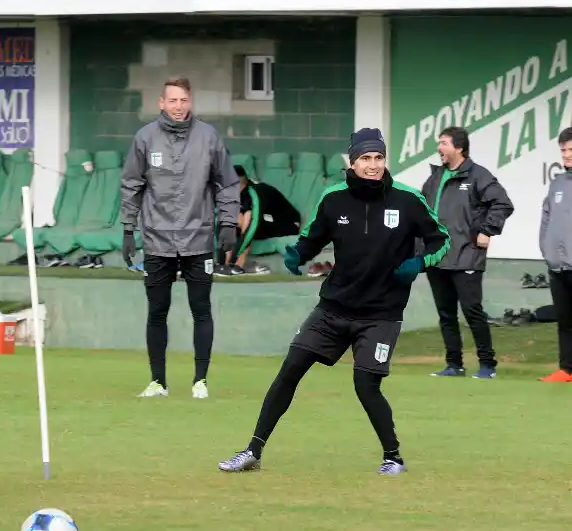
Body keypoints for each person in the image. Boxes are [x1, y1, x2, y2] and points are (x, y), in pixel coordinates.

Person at [218, 128, 450, 476]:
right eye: (365, 158)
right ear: (352, 163)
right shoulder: (333, 198)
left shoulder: (408, 199)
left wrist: (420, 263)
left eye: (378, 158)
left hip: (381, 314)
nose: (373, 165)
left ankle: (393, 458)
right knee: (290, 370)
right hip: (333, 309)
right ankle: (252, 451)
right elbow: (312, 237)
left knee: (366, 385)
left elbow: (441, 240)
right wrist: (298, 254)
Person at [120, 77, 240, 400]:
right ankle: (158, 382)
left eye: (183, 100)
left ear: (191, 102)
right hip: (156, 240)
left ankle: (200, 381)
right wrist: (128, 230)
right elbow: (131, 185)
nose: (178, 106)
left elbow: (227, 184)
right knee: (157, 311)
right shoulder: (145, 138)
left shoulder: (209, 137)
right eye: (172, 100)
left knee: (201, 309)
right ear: (161, 103)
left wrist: (229, 224)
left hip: (198, 238)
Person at [420, 126, 514, 379]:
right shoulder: (435, 178)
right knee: (446, 314)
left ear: (459, 148)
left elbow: (503, 203)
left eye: (444, 143)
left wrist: (487, 230)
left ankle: (487, 365)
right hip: (437, 257)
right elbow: (421, 212)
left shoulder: (478, 175)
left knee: (472, 311)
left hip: (466, 255)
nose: (439, 148)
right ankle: (454, 365)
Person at [219, 164, 301, 276]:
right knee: (236, 219)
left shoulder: (256, 191)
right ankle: (225, 265)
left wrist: (234, 256)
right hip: (265, 220)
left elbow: (251, 227)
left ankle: (237, 266)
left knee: (246, 223)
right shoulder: (239, 192)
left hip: (288, 225)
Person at [539, 127, 572, 383]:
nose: (567, 154)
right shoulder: (558, 183)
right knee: (565, 320)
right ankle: (566, 369)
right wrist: (547, 249)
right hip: (558, 265)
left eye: (571, 149)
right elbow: (546, 218)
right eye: (563, 150)